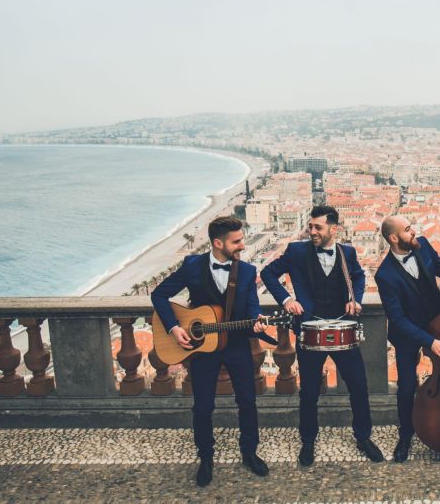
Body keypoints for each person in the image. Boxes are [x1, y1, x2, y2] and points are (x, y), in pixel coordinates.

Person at [151, 216, 269, 487]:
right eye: (236, 241)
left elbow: (252, 306)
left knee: (247, 401)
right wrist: (173, 328)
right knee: (203, 407)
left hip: (237, 344)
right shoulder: (192, 266)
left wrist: (257, 320)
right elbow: (159, 295)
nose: (242, 245)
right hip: (202, 348)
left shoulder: (247, 271)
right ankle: (205, 457)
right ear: (218, 243)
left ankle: (249, 452)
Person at [260, 205, 383, 466]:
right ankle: (308, 441)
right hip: (309, 330)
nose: (312, 231)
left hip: (343, 329)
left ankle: (363, 437)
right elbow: (267, 273)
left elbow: (359, 278)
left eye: (318, 227)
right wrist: (287, 300)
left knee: (359, 387)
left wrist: (355, 299)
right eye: (310, 226)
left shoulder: (347, 253)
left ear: (333, 229)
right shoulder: (296, 251)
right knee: (309, 392)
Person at [373, 215, 440, 462]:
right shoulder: (384, 275)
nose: (413, 231)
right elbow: (398, 320)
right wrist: (430, 342)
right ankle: (405, 435)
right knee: (406, 386)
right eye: (407, 229)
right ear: (394, 238)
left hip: (438, 319)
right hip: (408, 332)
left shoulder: (423, 244)